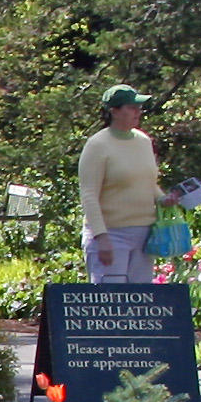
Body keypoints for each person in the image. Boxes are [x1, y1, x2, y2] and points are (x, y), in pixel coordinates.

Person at [76, 84, 182, 281]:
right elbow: (89, 195)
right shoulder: (97, 145)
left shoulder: (143, 140)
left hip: (144, 234)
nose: (138, 112)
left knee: (140, 302)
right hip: (111, 234)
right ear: (114, 111)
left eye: (139, 107)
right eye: (131, 107)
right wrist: (101, 237)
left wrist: (162, 198)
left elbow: (147, 181)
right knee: (110, 302)